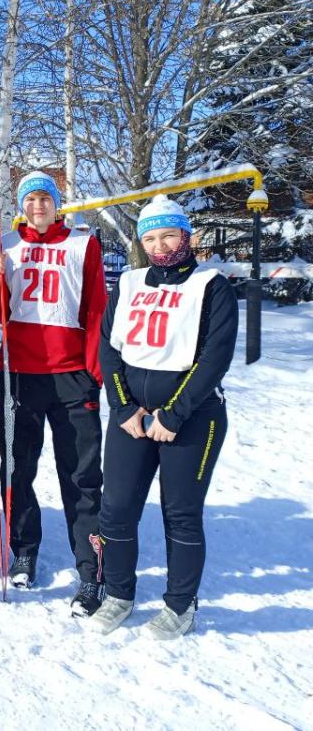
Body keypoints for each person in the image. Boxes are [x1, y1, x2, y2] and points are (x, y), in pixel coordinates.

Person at [89, 196, 236, 639]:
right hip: (133, 418)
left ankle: (180, 604)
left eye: (168, 234)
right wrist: (123, 406)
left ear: (185, 236)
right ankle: (117, 593)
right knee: (115, 509)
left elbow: (215, 357)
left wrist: (173, 415)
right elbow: (109, 350)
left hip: (192, 418)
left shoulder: (212, 285)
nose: (159, 245)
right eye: (150, 237)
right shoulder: (130, 283)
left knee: (181, 513)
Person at [0, 171, 107, 615]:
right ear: (21, 205)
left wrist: (95, 372)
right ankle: (24, 549)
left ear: (57, 204)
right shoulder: (5, 245)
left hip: (72, 376)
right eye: (30, 199)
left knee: (80, 478)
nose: (38, 206)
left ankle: (92, 571)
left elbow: (96, 308)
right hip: (20, 375)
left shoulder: (82, 243)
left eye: (45, 198)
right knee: (17, 470)